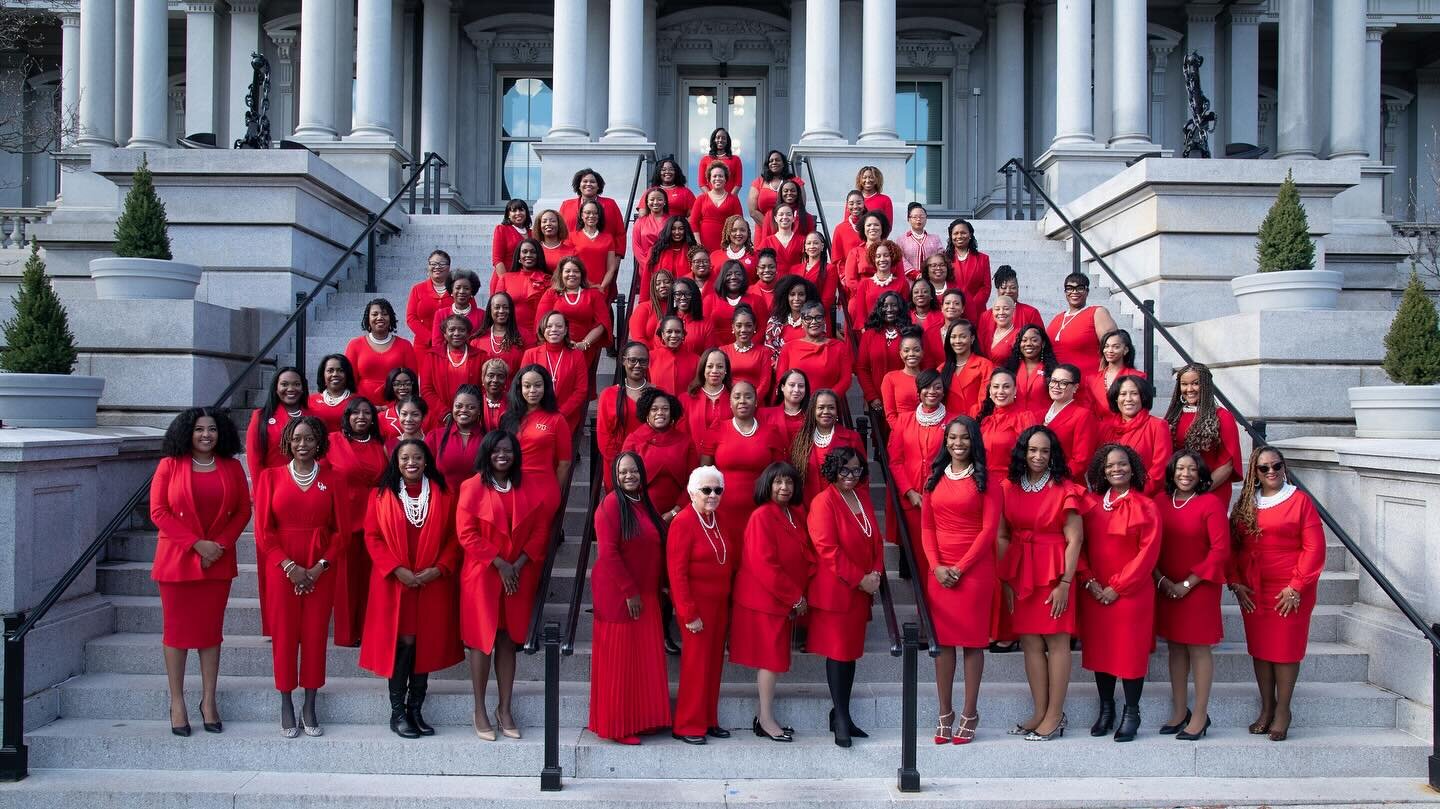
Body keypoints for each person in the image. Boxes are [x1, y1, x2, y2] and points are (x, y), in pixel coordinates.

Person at [151, 407, 250, 736]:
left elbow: (242, 511)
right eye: (199, 430)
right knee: (177, 635)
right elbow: (159, 511)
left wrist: (218, 545)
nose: (206, 435)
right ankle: (177, 702)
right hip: (177, 561)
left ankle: (208, 701)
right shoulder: (169, 465)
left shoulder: (232, 467)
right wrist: (197, 545)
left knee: (210, 635)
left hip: (217, 563)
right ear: (186, 433)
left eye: (212, 429)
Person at [457, 430, 559, 740]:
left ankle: (505, 708)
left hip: (517, 576)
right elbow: (466, 533)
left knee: (506, 638)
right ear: (486, 453)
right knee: (481, 640)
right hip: (483, 574)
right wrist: (500, 563)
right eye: (496, 450)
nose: (503, 455)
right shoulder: (472, 486)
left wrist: (518, 564)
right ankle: (479, 710)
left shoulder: (526, 486)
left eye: (509, 450)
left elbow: (540, 531)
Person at [359, 438, 462, 739]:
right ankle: (398, 712)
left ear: (426, 461)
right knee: (403, 644)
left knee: (424, 644)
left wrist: (438, 569)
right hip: (395, 582)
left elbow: (454, 538)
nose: (410, 463)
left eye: (416, 457)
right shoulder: (381, 495)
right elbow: (372, 536)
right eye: (404, 458)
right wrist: (397, 569)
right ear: (397, 462)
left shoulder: (444, 494)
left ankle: (416, 708)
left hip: (431, 582)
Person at [252, 416, 347, 737]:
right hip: (283, 569)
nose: (302, 444)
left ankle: (310, 701)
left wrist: (320, 565)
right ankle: (286, 701)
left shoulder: (333, 478)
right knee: (285, 636)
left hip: (320, 568)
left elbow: (340, 532)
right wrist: (289, 567)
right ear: (288, 443)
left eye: (308, 439)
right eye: (296, 439)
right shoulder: (270, 478)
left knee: (316, 635)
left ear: (319, 442)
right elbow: (264, 532)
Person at [1229, 445, 1325, 742]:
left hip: (1289, 588)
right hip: (1254, 588)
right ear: (1254, 473)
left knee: (1284, 651)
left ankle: (1283, 710)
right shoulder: (1246, 502)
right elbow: (1232, 546)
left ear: (1284, 467)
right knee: (1260, 650)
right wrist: (1234, 581)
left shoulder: (1299, 501)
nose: (1272, 472)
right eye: (1264, 468)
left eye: (1277, 466)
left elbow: (1314, 547)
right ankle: (1266, 707)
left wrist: (1296, 587)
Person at [998, 425, 1086, 741]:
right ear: (1023, 451)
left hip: (1054, 569)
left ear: (1053, 455)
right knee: (1031, 643)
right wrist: (1006, 578)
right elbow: (1002, 535)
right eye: (1033, 450)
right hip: (1021, 569)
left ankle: (1055, 715)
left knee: (1057, 642)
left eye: (1045, 451)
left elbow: (1075, 540)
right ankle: (1039, 711)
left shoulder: (1066, 488)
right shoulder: (1008, 487)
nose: (1038, 456)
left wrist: (1065, 581)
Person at [921, 415, 999, 744]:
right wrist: (937, 566)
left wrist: (961, 567)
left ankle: (969, 711)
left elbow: (989, 530)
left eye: (964, 438)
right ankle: (944, 712)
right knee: (943, 647)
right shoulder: (934, 477)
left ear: (974, 441)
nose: (957, 443)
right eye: (952, 437)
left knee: (972, 644)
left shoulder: (988, 480)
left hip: (975, 570)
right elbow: (926, 527)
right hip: (939, 570)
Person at [1078, 443, 1161, 742]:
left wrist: (1118, 587)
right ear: (1101, 469)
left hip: (1131, 594)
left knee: (1129, 653)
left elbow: (1147, 554)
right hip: (1096, 591)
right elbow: (1080, 546)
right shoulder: (1091, 504)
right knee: (1102, 652)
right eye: (1110, 465)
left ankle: (1132, 712)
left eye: (1123, 463)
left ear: (1133, 467)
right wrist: (1090, 581)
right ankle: (1106, 709)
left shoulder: (1146, 506)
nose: (1117, 469)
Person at [589, 452, 673, 744]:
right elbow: (608, 553)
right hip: (622, 595)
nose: (628, 476)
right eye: (623, 472)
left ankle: (642, 719)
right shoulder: (610, 506)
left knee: (641, 662)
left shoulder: (644, 504)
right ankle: (618, 725)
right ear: (614, 475)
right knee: (621, 663)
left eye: (633, 471)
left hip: (647, 593)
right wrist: (630, 592)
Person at [731, 462, 814, 742]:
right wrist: (795, 596)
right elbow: (764, 565)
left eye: (789, 483)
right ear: (768, 484)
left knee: (774, 659)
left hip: (779, 600)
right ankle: (766, 720)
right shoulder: (762, 516)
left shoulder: (792, 513)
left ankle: (762, 716)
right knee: (770, 660)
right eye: (778, 482)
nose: (784, 488)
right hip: (764, 599)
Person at [807, 446, 883, 747]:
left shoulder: (861, 497)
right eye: (844, 470)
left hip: (861, 590)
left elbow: (875, 537)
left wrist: (876, 572)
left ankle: (843, 714)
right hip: (837, 589)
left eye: (855, 470)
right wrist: (860, 579)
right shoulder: (823, 502)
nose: (851, 476)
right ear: (832, 471)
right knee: (838, 654)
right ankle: (839, 716)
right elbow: (827, 550)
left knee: (850, 654)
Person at [1154, 450, 1230, 741]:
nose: (1185, 474)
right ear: (1172, 472)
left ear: (1201, 475)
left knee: (1198, 648)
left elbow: (1220, 550)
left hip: (1199, 588)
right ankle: (1178, 710)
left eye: (1192, 469)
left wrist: (1186, 584)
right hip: (1166, 586)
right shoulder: (1160, 502)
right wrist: (1161, 580)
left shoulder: (1209, 503)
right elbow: (1149, 543)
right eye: (1180, 469)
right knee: (1174, 647)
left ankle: (1199, 714)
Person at [668, 465, 739, 744]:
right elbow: (676, 572)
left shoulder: (719, 519)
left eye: (717, 490)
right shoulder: (683, 522)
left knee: (713, 666)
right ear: (692, 492)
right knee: (696, 666)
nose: (712, 495)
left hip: (719, 606)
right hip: (695, 607)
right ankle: (687, 724)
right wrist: (687, 612)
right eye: (706, 490)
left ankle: (709, 719)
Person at [326, 398, 387, 648]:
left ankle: (368, 630)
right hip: (344, 517)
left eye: (367, 413)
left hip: (375, 518)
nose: (361, 417)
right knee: (346, 579)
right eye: (355, 413)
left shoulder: (379, 445)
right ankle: (347, 633)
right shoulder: (332, 442)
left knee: (369, 579)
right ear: (347, 416)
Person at [698, 381, 788, 542]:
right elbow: (703, 473)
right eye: (737, 397)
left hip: (760, 509)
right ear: (730, 403)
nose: (742, 401)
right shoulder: (717, 429)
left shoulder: (771, 432)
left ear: (756, 402)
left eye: (748, 396)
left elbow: (779, 476)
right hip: (721, 509)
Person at [888, 370, 950, 573]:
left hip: (943, 500)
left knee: (939, 556)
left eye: (937, 387)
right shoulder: (904, 421)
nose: (932, 391)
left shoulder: (954, 421)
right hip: (913, 500)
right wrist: (909, 491)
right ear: (918, 391)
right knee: (917, 556)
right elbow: (895, 461)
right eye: (927, 387)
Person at [1164, 362, 1242, 507]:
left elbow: (1227, 463)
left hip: (1211, 489)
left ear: (1205, 385)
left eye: (1195, 383)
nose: (1189, 389)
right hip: (1179, 489)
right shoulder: (1172, 417)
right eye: (1184, 384)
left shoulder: (1222, 416)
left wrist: (1199, 491)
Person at [499, 365, 574, 501]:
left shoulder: (557, 419)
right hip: (509, 486)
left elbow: (564, 463)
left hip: (542, 490)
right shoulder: (507, 417)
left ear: (546, 388)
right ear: (519, 388)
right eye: (527, 386)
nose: (532, 390)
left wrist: (555, 494)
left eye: (538, 385)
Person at [538, 255, 612, 374]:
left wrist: (584, 344)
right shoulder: (551, 294)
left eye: (576, 271)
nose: (571, 274)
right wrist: (561, 343)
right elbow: (542, 322)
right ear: (561, 274)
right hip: (555, 346)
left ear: (582, 274)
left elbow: (602, 323)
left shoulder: (594, 295)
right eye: (567, 271)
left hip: (584, 349)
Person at [791, 388, 863, 505]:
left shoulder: (852, 438)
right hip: (808, 506)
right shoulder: (801, 439)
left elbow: (862, 480)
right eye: (821, 407)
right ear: (813, 411)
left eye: (831, 407)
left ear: (837, 411)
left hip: (842, 507)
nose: (826, 411)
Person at [520, 311, 589, 433]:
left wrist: (560, 413)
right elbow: (523, 386)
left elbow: (581, 390)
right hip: (536, 416)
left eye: (559, 326)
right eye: (549, 326)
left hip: (566, 417)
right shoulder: (530, 354)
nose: (554, 329)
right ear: (542, 329)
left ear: (566, 329)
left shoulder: (577, 355)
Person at [1102, 376, 1170, 494]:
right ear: (1116, 399)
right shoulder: (1106, 428)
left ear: (1143, 397)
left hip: (1144, 497)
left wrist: (1134, 494)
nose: (1128, 399)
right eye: (1123, 394)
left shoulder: (1157, 426)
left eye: (1134, 393)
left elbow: (1160, 469)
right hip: (1110, 497)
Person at [597, 342, 651, 487]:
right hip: (617, 465)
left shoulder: (658, 394)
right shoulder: (608, 394)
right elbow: (603, 435)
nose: (637, 365)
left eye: (643, 361)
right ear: (623, 360)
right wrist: (620, 464)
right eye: (632, 360)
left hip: (649, 464)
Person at [346, 298, 418, 405]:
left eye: (384, 314)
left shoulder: (405, 345)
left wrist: (390, 408)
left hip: (397, 408)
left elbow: (412, 383)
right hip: (362, 409)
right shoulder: (354, 345)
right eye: (374, 314)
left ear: (391, 318)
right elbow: (349, 383)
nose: (379, 317)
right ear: (368, 319)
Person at [777, 301, 853, 400]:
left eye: (818, 317)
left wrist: (827, 399)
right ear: (802, 321)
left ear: (824, 320)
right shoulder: (788, 348)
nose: (814, 322)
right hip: (796, 404)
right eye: (808, 318)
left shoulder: (839, 347)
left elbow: (846, 379)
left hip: (827, 406)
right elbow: (781, 379)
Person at [1047, 272, 1119, 371]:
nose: (1074, 292)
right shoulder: (1057, 318)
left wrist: (1103, 378)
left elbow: (1113, 347)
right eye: (1069, 288)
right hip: (1060, 383)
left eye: (1080, 288)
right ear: (1065, 292)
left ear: (1087, 291)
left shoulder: (1097, 313)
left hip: (1090, 381)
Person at [246, 367, 310, 475]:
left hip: (307, 484)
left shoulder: (315, 417)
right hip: (273, 485)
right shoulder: (261, 416)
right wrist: (262, 489)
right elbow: (254, 459)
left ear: (303, 388)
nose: (290, 389)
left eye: (296, 384)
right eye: (284, 384)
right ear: (276, 388)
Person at [855, 291, 912, 412]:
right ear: (879, 309)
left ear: (900, 308)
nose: (889, 309)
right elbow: (861, 368)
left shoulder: (910, 333)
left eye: (894, 305)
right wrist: (872, 396)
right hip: (878, 399)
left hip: (906, 397)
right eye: (885, 306)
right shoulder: (869, 335)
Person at [1042, 364, 1099, 481]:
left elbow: (1081, 461)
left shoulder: (1082, 415)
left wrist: (1056, 479)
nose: (1056, 386)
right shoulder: (1040, 414)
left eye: (1063, 383)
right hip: (1039, 481)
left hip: (1065, 481)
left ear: (1075, 387)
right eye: (1053, 381)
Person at [420, 314, 484, 419]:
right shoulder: (431, 356)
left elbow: (483, 389)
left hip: (471, 418)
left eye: (462, 330)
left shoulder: (481, 356)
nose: (457, 333)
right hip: (439, 418)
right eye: (452, 329)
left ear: (468, 333)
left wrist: (472, 412)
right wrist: (445, 413)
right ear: (444, 334)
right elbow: (426, 390)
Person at [978, 368, 1036, 478]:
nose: (1000, 391)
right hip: (983, 482)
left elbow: (1032, 456)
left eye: (1006, 387)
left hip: (1011, 483)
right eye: (996, 387)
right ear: (990, 391)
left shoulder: (1025, 418)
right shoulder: (984, 419)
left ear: (1015, 390)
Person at [559, 168, 627, 259]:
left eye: (592, 181)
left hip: (604, 256)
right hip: (572, 258)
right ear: (579, 185)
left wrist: (618, 257)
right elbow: (559, 231)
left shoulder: (610, 204)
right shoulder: (566, 205)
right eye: (585, 181)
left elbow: (620, 233)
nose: (588, 184)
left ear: (598, 186)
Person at [426, 385, 484, 487]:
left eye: (471, 407)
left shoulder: (487, 438)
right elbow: (425, 471)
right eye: (458, 406)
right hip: (442, 498)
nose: (463, 410)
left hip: (477, 499)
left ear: (479, 410)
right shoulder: (435, 436)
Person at [492, 238, 552, 339]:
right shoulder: (506, 278)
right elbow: (496, 308)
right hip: (510, 335)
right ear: (519, 256)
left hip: (540, 335)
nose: (528, 255)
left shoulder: (549, 280)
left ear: (539, 256)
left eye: (533, 252)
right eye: (524, 252)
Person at [977, 266, 1045, 347]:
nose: (1008, 291)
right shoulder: (985, 316)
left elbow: (1040, 341)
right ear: (997, 289)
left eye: (1013, 287)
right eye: (1004, 287)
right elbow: (981, 345)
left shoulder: (1031, 313)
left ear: (1018, 288)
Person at [939, 320, 994, 418]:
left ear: (972, 338)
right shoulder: (942, 368)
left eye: (963, 336)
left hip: (975, 422)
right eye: (953, 337)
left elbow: (984, 401)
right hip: (948, 425)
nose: (957, 341)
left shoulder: (985, 365)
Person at [850, 240, 909, 328]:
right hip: (870, 332)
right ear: (873, 259)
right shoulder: (864, 284)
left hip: (896, 331)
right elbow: (861, 315)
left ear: (892, 257)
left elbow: (904, 312)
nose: (882, 259)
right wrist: (866, 332)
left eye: (886, 255)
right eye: (878, 256)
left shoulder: (902, 283)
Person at [707, 261, 769, 345]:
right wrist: (722, 350)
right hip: (718, 352)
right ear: (722, 277)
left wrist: (747, 346)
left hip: (751, 350)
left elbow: (763, 328)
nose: (733, 277)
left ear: (744, 277)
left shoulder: (757, 300)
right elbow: (707, 329)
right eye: (728, 274)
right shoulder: (710, 300)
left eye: (738, 274)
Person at [1005, 325, 1060, 418]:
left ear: (1043, 343)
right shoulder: (1011, 368)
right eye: (1024, 340)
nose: (1028, 344)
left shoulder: (1053, 370)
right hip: (1014, 422)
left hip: (1043, 423)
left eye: (1034, 340)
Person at [1087, 328, 1145, 415]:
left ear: (1125, 350)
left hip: (1127, 426)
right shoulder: (1091, 379)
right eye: (1106, 346)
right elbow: (1088, 409)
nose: (1110, 350)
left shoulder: (1138, 376)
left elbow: (1142, 408)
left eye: (1116, 347)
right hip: (1099, 427)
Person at [720, 305, 772, 403]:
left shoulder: (764, 351)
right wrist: (733, 401)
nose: (743, 330)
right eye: (739, 325)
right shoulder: (723, 351)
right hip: (729, 402)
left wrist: (751, 401)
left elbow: (765, 383)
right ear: (733, 327)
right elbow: (721, 380)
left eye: (748, 325)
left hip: (756, 403)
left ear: (754, 327)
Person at [944, 219, 990, 325]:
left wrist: (970, 305)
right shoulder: (944, 259)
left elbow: (986, 287)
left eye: (963, 233)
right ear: (951, 237)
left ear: (970, 235)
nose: (959, 236)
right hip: (952, 310)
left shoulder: (983, 259)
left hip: (976, 310)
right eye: (955, 233)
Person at [765, 275, 822, 361]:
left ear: (807, 297)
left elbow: (820, 350)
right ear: (786, 297)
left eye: (801, 294)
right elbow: (769, 353)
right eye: (792, 294)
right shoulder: (774, 322)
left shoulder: (816, 321)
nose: (796, 298)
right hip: (781, 370)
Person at [404, 249, 451, 354]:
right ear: (428, 267)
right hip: (424, 345)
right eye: (433, 264)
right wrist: (430, 338)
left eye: (442, 264)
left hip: (453, 345)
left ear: (449, 267)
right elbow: (411, 318)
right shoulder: (417, 289)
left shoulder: (458, 289)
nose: (437, 267)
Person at [570, 199, 621, 293]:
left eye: (595, 213)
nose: (591, 216)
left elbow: (611, 268)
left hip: (601, 289)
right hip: (578, 288)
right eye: (587, 213)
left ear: (599, 216)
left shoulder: (608, 238)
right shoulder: (571, 237)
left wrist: (602, 286)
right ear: (581, 215)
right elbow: (569, 266)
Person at [691, 162, 744, 252]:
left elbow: (739, 223)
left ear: (726, 179)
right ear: (709, 179)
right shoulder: (701, 199)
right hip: (703, 244)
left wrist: (734, 244)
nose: (717, 179)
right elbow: (693, 222)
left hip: (726, 245)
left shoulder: (733, 199)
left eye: (721, 176)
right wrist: (698, 243)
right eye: (714, 176)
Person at [471, 292, 527, 376]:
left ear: (511, 310)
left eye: (505, 307)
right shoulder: (477, 341)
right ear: (490, 310)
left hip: (514, 388)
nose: (501, 311)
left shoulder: (525, 335)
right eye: (497, 307)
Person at [643, 217, 697, 302]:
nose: (677, 232)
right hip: (661, 299)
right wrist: (644, 301)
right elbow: (646, 277)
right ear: (668, 230)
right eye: (673, 229)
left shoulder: (693, 251)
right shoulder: (655, 250)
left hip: (686, 300)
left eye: (681, 229)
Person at [881, 327, 926, 427]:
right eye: (906, 350)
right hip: (901, 432)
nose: (911, 354)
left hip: (927, 432)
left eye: (916, 350)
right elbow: (891, 416)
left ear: (923, 352)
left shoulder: (929, 378)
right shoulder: (890, 378)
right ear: (901, 354)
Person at [685, 347, 732, 439]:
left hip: (727, 452)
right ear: (703, 369)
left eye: (720, 366)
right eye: (710, 366)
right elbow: (682, 436)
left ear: (726, 370)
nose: (714, 371)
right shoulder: (686, 399)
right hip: (695, 452)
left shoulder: (735, 397)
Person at [429, 268, 483, 348]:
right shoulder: (441, 314)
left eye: (466, 288)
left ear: (472, 292)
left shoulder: (482, 315)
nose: (461, 291)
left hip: (474, 358)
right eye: (458, 288)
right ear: (451, 291)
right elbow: (437, 344)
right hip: (446, 358)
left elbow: (483, 342)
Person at [651, 315, 701, 398]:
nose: (673, 335)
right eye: (669, 332)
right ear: (663, 334)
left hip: (686, 408)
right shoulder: (650, 357)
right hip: (658, 409)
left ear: (683, 334)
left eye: (677, 332)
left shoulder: (696, 359)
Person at [748, 149, 800, 230]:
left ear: (783, 164)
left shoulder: (795, 181)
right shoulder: (758, 182)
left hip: (789, 229)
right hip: (763, 228)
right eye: (771, 161)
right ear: (767, 165)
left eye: (777, 160)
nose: (774, 162)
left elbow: (801, 205)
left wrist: (783, 229)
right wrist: (772, 228)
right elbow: (753, 211)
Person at [841, 211, 888, 298]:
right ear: (863, 229)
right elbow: (851, 281)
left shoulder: (892, 251)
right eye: (869, 225)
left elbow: (899, 278)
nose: (872, 228)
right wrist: (867, 293)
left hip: (887, 298)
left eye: (876, 225)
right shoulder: (855, 252)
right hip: (861, 296)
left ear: (882, 228)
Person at [308, 354, 356, 433]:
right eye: (330, 370)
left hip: (347, 444)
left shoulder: (357, 401)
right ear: (323, 374)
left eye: (340, 370)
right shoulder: (310, 400)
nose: (335, 374)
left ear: (347, 374)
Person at [763, 368, 811, 444]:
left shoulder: (812, 416)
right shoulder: (765, 414)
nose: (796, 390)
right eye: (792, 385)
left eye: (801, 386)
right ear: (782, 387)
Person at [631, 269, 676, 347]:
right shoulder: (643, 308)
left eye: (666, 282)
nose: (662, 285)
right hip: (650, 355)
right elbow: (638, 338)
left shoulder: (677, 307)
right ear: (653, 287)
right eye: (658, 283)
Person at [670, 276, 714, 354]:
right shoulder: (664, 322)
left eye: (687, 294)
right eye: (678, 294)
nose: (683, 297)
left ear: (694, 296)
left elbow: (708, 355)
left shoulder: (706, 324)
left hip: (696, 365)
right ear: (673, 297)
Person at [899, 203, 944, 278]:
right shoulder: (901, 240)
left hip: (932, 279)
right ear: (908, 219)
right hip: (909, 281)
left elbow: (941, 257)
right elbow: (900, 259)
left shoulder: (935, 239)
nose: (918, 219)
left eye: (922, 216)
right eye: (915, 217)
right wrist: (914, 274)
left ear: (926, 219)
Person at [797, 231, 838, 312]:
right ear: (805, 247)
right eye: (808, 243)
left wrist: (811, 314)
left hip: (817, 317)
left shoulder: (830, 269)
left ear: (822, 246)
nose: (812, 246)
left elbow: (827, 300)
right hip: (797, 315)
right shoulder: (795, 269)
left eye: (815, 243)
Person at [758, 203, 805, 275]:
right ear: (775, 218)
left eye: (788, 214)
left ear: (793, 218)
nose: (785, 217)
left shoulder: (802, 240)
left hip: (796, 281)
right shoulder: (767, 241)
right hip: (774, 282)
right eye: (781, 214)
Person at [490, 199, 532, 278]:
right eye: (514, 211)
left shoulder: (532, 233)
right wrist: (505, 281)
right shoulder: (502, 229)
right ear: (508, 215)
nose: (518, 213)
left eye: (521, 210)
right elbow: (497, 259)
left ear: (526, 213)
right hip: (505, 277)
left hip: (526, 279)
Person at [376, 368, 421, 439]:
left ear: (413, 385)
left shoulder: (428, 415)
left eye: (407, 383)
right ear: (391, 386)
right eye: (397, 384)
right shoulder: (381, 417)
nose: (402, 387)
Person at [697, 127, 743, 196]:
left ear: (727, 141)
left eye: (723, 138)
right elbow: (702, 183)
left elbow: (738, 183)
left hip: (730, 200)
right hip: (711, 201)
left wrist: (729, 199)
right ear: (713, 140)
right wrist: (713, 198)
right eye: (718, 137)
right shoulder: (705, 160)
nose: (720, 140)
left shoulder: (735, 159)